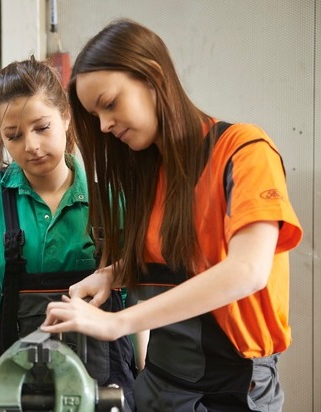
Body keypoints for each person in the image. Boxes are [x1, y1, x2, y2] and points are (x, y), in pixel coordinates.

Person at [41, 19, 303, 411]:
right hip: (162, 385)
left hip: (229, 391)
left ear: (153, 77)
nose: (105, 125)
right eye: (95, 115)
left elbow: (248, 271)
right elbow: (176, 260)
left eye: (110, 104)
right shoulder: (150, 172)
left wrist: (117, 324)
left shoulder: (244, 151)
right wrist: (112, 274)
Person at [0, 57, 137, 410]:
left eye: (42, 127)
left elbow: (138, 291)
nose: (31, 145)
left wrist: (147, 376)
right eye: (14, 135)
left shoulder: (110, 199)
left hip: (105, 393)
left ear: (66, 117)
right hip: (12, 391)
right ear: (1, 135)